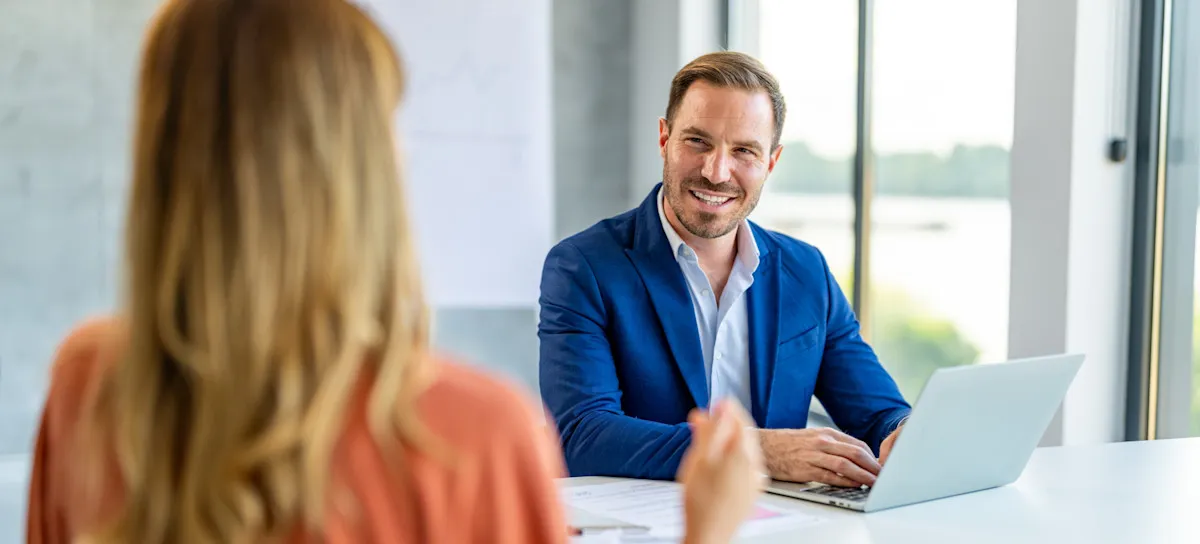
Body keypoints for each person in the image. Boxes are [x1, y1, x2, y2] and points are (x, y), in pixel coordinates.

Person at [24, 1, 764, 542]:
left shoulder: (88, 381)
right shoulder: (471, 437)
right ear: (361, 165)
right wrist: (707, 531)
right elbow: (585, 427)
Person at [538, 51, 912, 486]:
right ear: (664, 138)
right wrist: (758, 451)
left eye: (744, 151)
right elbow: (582, 435)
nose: (717, 172)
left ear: (770, 162)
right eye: (697, 141)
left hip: (785, 525)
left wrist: (901, 435)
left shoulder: (806, 271)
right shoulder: (583, 267)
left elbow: (879, 413)